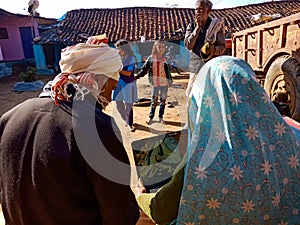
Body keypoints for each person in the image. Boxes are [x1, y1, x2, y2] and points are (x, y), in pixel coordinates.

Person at [135, 56, 300, 224]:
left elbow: (161, 210)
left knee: (141, 217)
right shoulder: (291, 137)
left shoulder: (202, 155)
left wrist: (140, 195)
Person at [0, 36, 140, 225]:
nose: (111, 97)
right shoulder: (98, 127)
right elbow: (120, 215)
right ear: (96, 79)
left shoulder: (9, 118)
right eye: (111, 87)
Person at [184, 0, 226, 97]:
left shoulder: (215, 26)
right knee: (192, 95)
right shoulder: (192, 26)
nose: (197, 12)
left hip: (211, 68)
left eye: (201, 9)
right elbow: (189, 45)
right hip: (196, 67)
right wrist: (198, 28)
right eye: (196, 9)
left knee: (210, 97)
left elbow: (222, 47)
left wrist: (213, 50)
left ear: (208, 11)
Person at [135, 40, 173, 125]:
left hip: (164, 84)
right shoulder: (151, 58)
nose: (161, 49)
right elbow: (144, 69)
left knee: (163, 100)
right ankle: (151, 117)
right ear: (155, 48)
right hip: (155, 83)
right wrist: (137, 76)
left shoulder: (166, 59)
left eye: (163, 47)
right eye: (159, 47)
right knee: (154, 101)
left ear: (165, 48)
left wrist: (170, 81)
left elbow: (168, 71)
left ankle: (160, 117)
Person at [113, 39, 138, 132]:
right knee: (118, 103)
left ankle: (129, 123)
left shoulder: (132, 58)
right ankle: (126, 119)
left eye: (118, 48)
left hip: (128, 83)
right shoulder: (119, 58)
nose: (117, 50)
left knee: (128, 104)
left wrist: (118, 69)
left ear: (123, 48)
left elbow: (128, 73)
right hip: (119, 83)